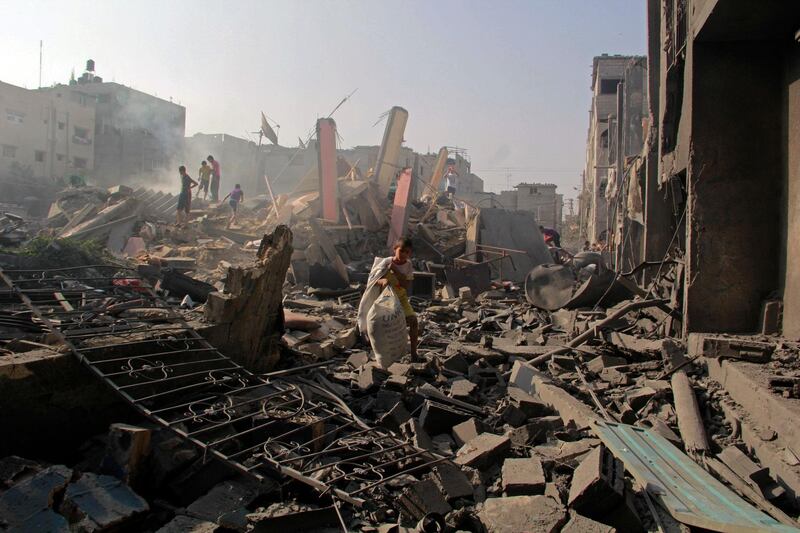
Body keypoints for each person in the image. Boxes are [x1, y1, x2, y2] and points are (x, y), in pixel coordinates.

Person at [375, 237, 419, 360]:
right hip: (386, 299)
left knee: (413, 321)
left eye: (408, 252)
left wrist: (395, 271)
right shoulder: (385, 262)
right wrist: (383, 280)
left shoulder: (408, 265)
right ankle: (385, 355)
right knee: (386, 327)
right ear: (395, 249)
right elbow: (373, 280)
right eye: (402, 251)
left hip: (401, 298)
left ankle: (414, 353)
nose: (404, 254)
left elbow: (405, 285)